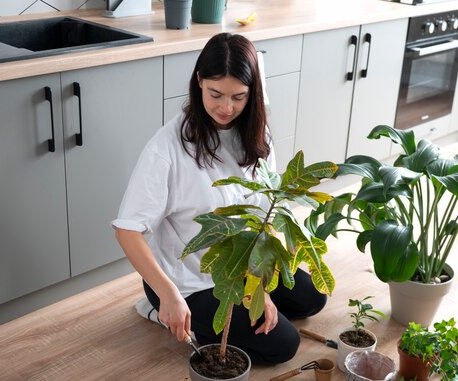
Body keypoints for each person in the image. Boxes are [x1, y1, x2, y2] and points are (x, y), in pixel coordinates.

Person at [112, 32, 326, 364]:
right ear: (198, 82)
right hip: (185, 281)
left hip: (243, 266)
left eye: (238, 97)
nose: (226, 108)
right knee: (283, 344)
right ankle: (160, 309)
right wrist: (168, 294)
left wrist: (257, 288)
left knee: (312, 299)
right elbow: (127, 231)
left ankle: (246, 310)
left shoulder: (258, 135)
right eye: (215, 94)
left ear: (252, 93)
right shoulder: (166, 148)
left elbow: (263, 214)